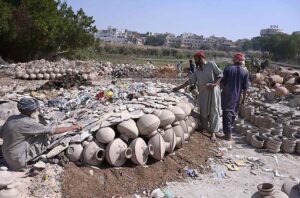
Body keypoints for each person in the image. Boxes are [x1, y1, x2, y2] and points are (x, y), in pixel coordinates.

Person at [0, 98, 81, 171]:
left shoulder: (12, 118)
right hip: (17, 160)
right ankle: (31, 159)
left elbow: (1, 134)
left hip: (6, 155)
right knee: (45, 135)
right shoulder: (28, 123)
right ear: (29, 111)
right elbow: (53, 131)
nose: (36, 111)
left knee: (32, 134)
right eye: (35, 109)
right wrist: (72, 127)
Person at [173, 51, 223, 142]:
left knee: (214, 111)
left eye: (197, 59)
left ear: (202, 58)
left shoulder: (211, 65)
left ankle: (213, 133)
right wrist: (178, 88)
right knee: (203, 110)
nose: (196, 61)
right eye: (195, 60)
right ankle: (204, 128)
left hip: (213, 91)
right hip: (203, 92)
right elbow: (190, 81)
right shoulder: (197, 71)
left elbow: (220, 75)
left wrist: (215, 84)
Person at [219, 53, 250, 141]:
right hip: (237, 97)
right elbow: (245, 88)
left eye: (234, 58)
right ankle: (229, 132)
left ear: (236, 59)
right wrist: (243, 99)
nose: (232, 59)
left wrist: (217, 92)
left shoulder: (228, 69)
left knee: (226, 114)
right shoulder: (245, 72)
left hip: (227, 95)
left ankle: (227, 135)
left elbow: (222, 83)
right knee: (233, 114)